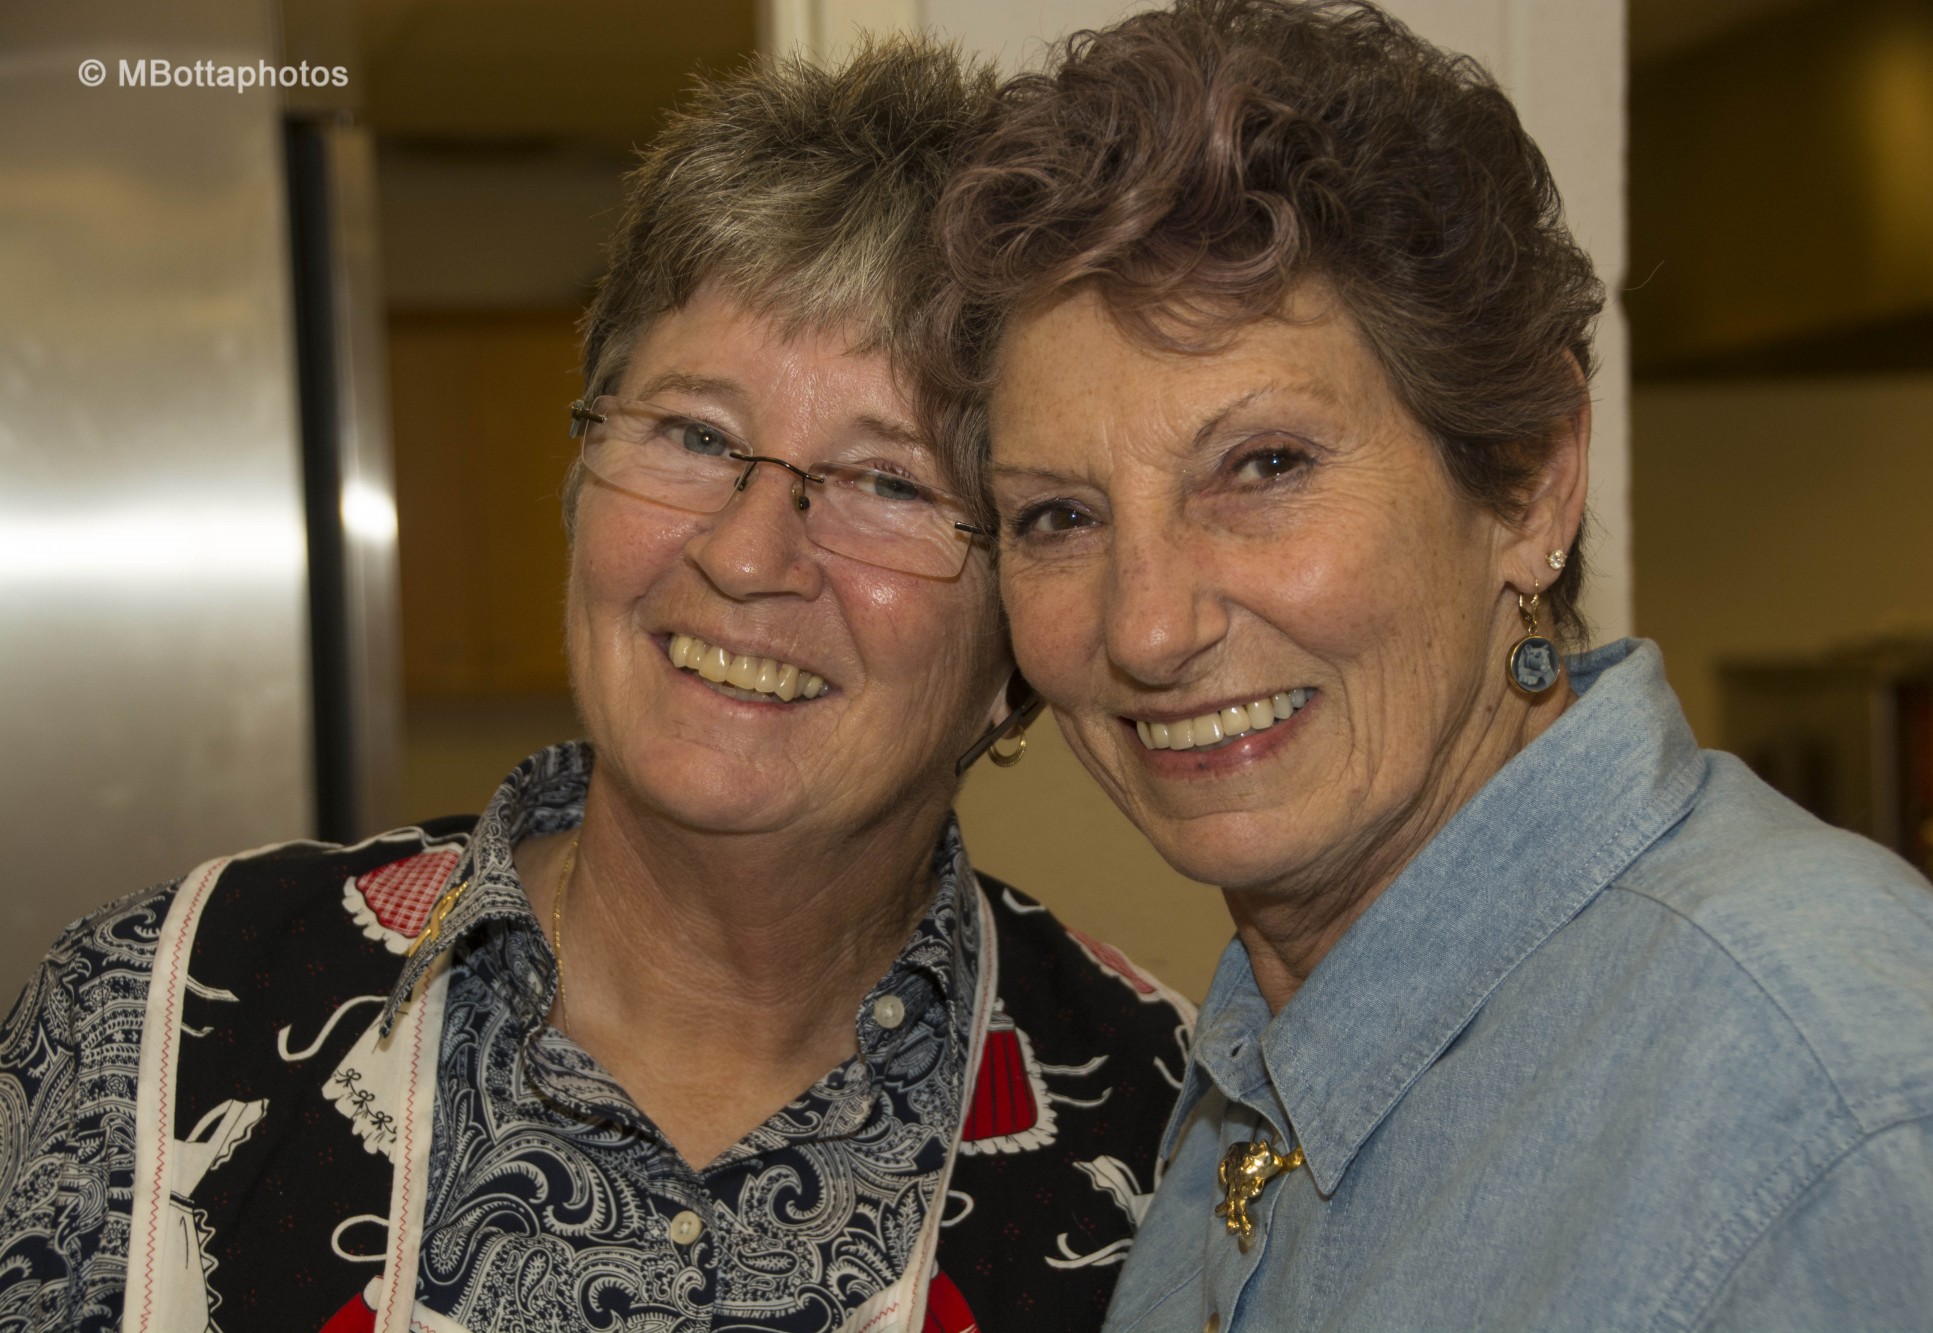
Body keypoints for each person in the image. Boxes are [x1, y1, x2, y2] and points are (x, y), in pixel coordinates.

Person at [0, 40, 1192, 1333]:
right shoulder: (159, 1020)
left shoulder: (1169, 1140)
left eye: (887, 481)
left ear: (1023, 631)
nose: (745, 555)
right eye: (695, 433)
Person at [930, 1, 1933, 1328]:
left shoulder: (1824, 1095)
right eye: (1058, 516)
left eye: (1265, 466)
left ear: (1531, 480)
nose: (1147, 629)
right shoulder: (1268, 1061)